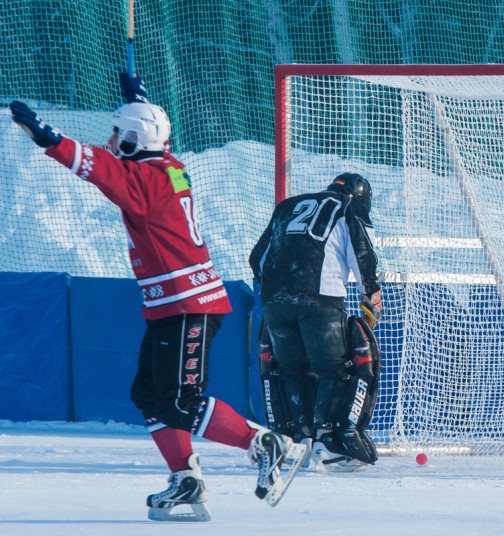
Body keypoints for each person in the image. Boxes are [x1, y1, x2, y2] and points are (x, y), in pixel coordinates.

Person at [9, 74, 303, 521]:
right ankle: (187, 481)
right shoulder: (170, 164)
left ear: (132, 140)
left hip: (188, 303)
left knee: (179, 400)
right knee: (149, 395)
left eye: (117, 134)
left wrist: (44, 136)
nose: (109, 141)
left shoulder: (140, 181)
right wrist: (138, 100)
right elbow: (151, 139)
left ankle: (266, 444)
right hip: (175, 303)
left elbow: (90, 164)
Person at [250, 172, 382, 473]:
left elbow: (256, 258)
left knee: (293, 370)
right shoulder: (350, 206)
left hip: (275, 300)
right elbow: (363, 255)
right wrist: (371, 295)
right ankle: (328, 444)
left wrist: (277, 292)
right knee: (332, 369)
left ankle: (300, 439)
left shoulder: (287, 206)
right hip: (319, 298)